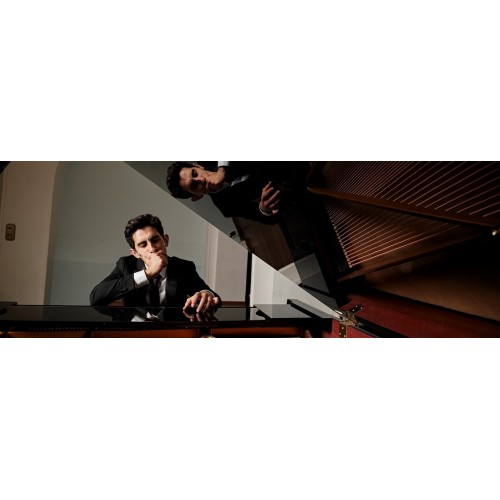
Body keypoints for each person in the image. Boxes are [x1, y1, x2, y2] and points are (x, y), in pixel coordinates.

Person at [89, 214, 221, 313]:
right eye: (143, 245)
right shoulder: (126, 265)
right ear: (135, 253)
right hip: (135, 333)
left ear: (166, 240)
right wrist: (148, 273)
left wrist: (207, 294)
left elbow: (211, 295)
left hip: (172, 333)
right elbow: (96, 297)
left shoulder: (183, 267)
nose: (152, 248)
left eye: (155, 240)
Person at [166, 161, 310, 224]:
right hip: (301, 180)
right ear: (196, 196)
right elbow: (269, 219)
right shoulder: (226, 206)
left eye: (195, 173)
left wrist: (222, 169)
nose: (201, 179)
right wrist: (264, 209)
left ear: (198, 166)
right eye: (194, 185)